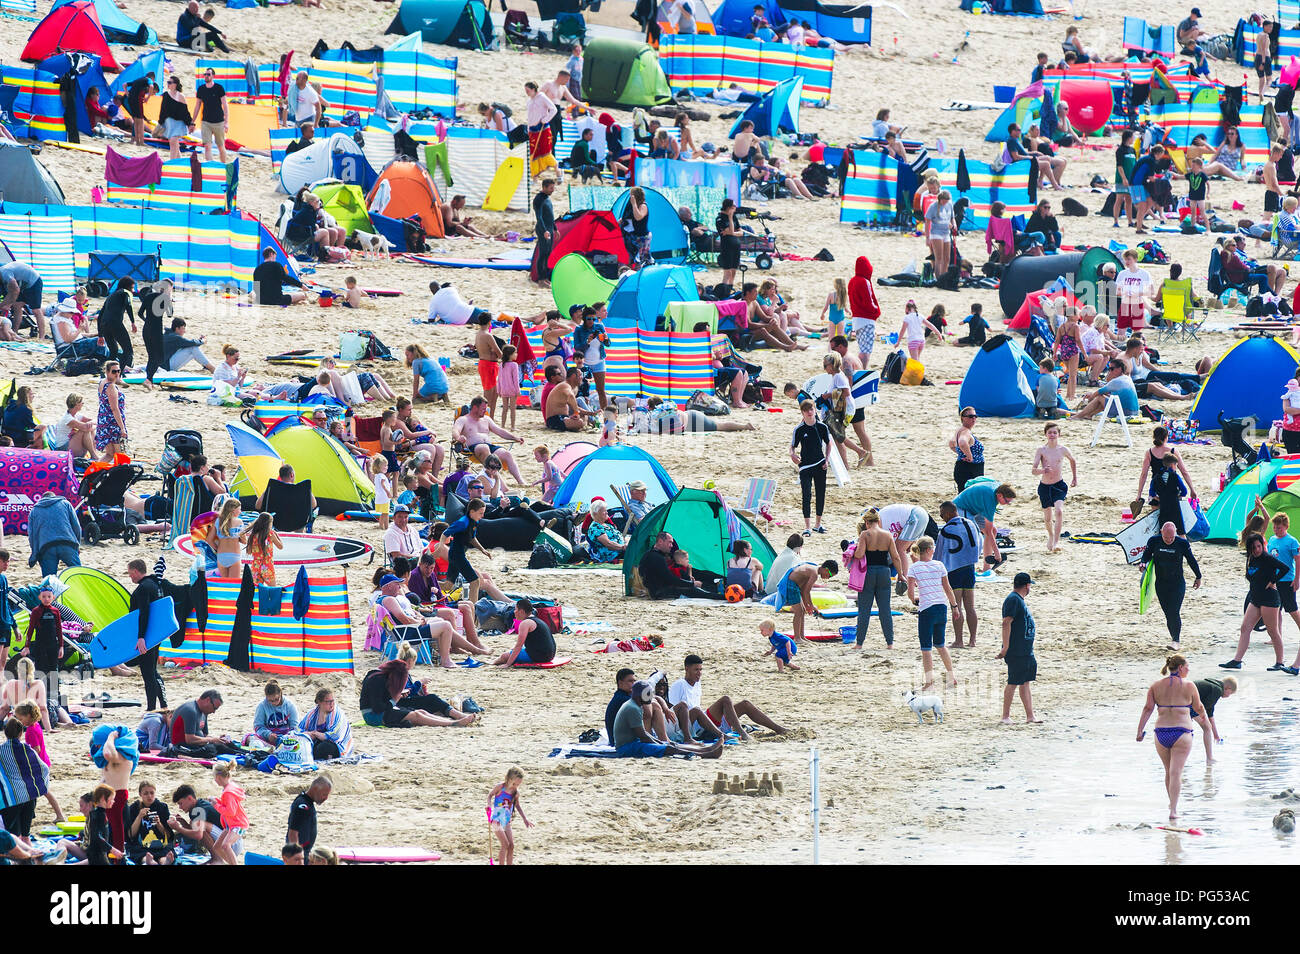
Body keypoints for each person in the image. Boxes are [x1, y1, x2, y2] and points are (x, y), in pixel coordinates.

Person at [1136, 654, 1211, 819]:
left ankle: (1172, 803)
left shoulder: (1155, 686)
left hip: (1161, 733)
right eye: (1187, 667)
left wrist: (1139, 731)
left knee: (1168, 772)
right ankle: (1173, 811)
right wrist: (1204, 717)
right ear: (1181, 668)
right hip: (1181, 732)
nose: (1189, 670)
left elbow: (1148, 708)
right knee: (1176, 772)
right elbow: (1198, 707)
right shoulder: (1189, 685)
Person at [668, 654, 788, 742]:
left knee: (745, 704)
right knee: (725, 700)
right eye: (696, 670)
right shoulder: (679, 685)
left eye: (700, 670)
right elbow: (674, 713)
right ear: (687, 669)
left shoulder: (697, 683)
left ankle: (779, 729)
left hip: (704, 720)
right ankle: (742, 732)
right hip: (693, 724)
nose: (699, 673)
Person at [1220, 532, 1295, 673]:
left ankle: (1279, 662)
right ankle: (1237, 660)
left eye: (1259, 546)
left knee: (1272, 631)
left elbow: (1285, 568)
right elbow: (1250, 576)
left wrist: (1273, 581)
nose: (1257, 550)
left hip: (1269, 598)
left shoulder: (1267, 558)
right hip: (1255, 598)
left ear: (1262, 545)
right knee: (1245, 628)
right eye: (1254, 547)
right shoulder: (1251, 558)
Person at [358, 652, 477, 727]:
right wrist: (394, 699)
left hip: (382, 710)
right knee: (416, 716)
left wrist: (395, 698)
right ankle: (454, 723)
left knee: (421, 712)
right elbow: (377, 707)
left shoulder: (382, 677)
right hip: (373, 715)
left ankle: (452, 721)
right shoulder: (376, 680)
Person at [612, 679, 724, 758]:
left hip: (632, 743)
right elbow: (642, 735)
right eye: (648, 694)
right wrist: (661, 744)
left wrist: (661, 742)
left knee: (670, 745)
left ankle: (705, 750)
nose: (650, 697)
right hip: (626, 747)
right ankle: (705, 753)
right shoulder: (633, 708)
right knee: (669, 748)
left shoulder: (634, 703)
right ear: (639, 695)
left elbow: (643, 735)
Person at [1141, 521, 1203, 651]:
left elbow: (1191, 560)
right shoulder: (1154, 541)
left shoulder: (1182, 543)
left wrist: (1198, 576)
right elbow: (1146, 556)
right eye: (1166, 537)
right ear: (1161, 533)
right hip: (1161, 584)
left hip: (1177, 584)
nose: (1169, 540)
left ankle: (1176, 641)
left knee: (1174, 611)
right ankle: (1174, 638)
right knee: (1168, 614)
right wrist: (1143, 563)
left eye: (1171, 537)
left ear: (1175, 534)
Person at [906, 536, 958, 690]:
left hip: (927, 608)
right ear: (929, 550)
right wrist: (954, 606)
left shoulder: (913, 568)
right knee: (941, 645)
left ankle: (929, 683)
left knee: (926, 648)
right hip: (941, 607)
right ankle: (951, 676)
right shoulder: (939, 565)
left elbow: (910, 593)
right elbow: (947, 588)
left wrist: (915, 600)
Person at [845, 508, 901, 650]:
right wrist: (901, 574)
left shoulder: (865, 534)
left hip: (868, 573)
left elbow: (859, 555)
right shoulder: (888, 535)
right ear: (878, 521)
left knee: (864, 609)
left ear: (867, 522)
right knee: (885, 609)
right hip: (884, 572)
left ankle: (859, 643)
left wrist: (854, 547)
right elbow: (895, 557)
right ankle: (890, 643)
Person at [1135, 426, 1197, 535]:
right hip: (1172, 490)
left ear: (1154, 437)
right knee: (1175, 520)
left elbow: (1143, 474)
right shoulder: (1172, 451)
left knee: (1157, 522)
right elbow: (1184, 471)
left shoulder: (1149, 452)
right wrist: (1192, 489)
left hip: (1157, 489)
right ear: (1166, 437)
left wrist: (1139, 494)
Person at [935, 501, 981, 649]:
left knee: (956, 607)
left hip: (954, 571)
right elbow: (979, 543)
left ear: (948, 513)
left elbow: (938, 554)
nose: (942, 518)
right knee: (970, 607)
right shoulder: (970, 524)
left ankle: (959, 641)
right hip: (969, 568)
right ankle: (973, 640)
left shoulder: (945, 530)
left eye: (942, 515)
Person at [998, 572, 1042, 724]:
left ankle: (1030, 716)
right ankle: (1005, 716)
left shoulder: (1018, 600)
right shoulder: (1013, 600)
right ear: (1027, 586)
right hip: (1016, 649)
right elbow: (1006, 623)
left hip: (1025, 648)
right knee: (1013, 682)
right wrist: (1006, 647)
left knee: (1025, 681)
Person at [453, 396, 526, 484]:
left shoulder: (486, 419)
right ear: (475, 407)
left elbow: (499, 431)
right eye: (483, 409)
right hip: (471, 449)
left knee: (507, 454)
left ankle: (521, 482)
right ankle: (499, 483)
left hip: (489, 446)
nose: (485, 411)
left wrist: (515, 438)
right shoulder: (463, 419)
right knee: (484, 448)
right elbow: (455, 430)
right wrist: (458, 438)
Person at [126, 559, 168, 712]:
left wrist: (141, 637)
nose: (131, 577)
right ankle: (163, 705)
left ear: (136, 571)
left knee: (148, 673)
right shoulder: (156, 584)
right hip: (155, 635)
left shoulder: (143, 588)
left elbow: (144, 613)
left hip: (147, 637)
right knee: (153, 670)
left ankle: (151, 709)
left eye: (131, 574)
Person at [637, 531, 724, 600]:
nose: (671, 546)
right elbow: (670, 579)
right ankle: (722, 596)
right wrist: (691, 584)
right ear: (660, 541)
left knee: (703, 574)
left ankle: (724, 583)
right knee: (696, 590)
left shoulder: (655, 554)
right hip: (661, 591)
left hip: (664, 587)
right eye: (669, 543)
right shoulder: (655, 557)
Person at [1031, 423, 1077, 553]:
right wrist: (1042, 470)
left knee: (1059, 511)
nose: (1052, 435)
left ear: (1059, 434)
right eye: (1050, 432)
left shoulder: (1063, 449)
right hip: (1044, 487)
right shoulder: (1041, 450)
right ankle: (1050, 536)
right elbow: (1033, 470)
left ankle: (1056, 542)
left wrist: (1074, 478)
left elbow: (1073, 460)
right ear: (1045, 434)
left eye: (1054, 433)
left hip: (1059, 485)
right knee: (1047, 518)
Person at [770, 560, 838, 643]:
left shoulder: (813, 569)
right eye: (829, 576)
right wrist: (812, 606)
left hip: (794, 585)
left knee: (802, 611)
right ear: (826, 570)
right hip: (790, 585)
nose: (828, 578)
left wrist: (807, 606)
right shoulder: (814, 574)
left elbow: (803, 590)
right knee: (798, 612)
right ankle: (797, 637)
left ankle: (801, 636)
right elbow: (806, 591)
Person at [790, 399, 831, 536]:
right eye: (806, 410)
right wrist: (793, 455)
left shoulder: (822, 427)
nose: (809, 412)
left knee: (821, 494)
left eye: (811, 409)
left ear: (814, 410)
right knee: (806, 494)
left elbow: (828, 443)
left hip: (820, 463)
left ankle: (817, 525)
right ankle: (807, 527)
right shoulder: (799, 429)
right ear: (802, 412)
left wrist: (827, 459)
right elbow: (792, 446)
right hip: (805, 466)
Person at [953, 480, 1016, 566]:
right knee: (973, 535)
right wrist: (997, 552)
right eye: (1007, 501)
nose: (1007, 504)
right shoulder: (990, 501)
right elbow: (988, 531)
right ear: (1000, 495)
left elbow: (990, 531)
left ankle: (986, 567)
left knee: (994, 531)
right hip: (960, 507)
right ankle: (967, 565)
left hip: (976, 508)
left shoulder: (1000, 488)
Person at [26, 491, 81, 576]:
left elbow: (32, 536)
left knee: (49, 580)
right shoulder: (65, 504)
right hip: (67, 543)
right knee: (78, 574)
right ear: (54, 496)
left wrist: (35, 553)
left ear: (42, 499)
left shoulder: (34, 510)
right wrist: (77, 545)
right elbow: (76, 526)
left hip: (46, 546)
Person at [486, 767, 532, 865]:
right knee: (505, 844)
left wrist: (525, 819)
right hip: (496, 820)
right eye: (514, 784)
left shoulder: (515, 793)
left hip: (506, 821)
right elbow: (490, 795)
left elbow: (517, 806)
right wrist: (489, 805)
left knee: (511, 846)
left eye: (518, 785)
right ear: (508, 779)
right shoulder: (500, 787)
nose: (515, 786)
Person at [493, 598, 556, 666]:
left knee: (504, 656)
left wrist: (508, 664)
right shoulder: (538, 620)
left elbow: (518, 646)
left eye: (515, 609)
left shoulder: (525, 623)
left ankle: (492, 663)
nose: (514, 612)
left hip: (540, 657)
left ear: (521, 611)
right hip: (550, 655)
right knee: (513, 650)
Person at [1073, 358, 1139, 421]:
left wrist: (1088, 400)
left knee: (1099, 397)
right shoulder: (1127, 378)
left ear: (1119, 369)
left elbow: (1098, 392)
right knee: (1106, 398)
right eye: (1109, 369)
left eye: (1111, 369)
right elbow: (1107, 391)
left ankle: (1079, 415)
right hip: (1134, 412)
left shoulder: (1116, 381)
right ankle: (1089, 415)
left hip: (1125, 412)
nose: (1110, 371)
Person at [300, 688, 353, 760]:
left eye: (332, 701)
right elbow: (299, 729)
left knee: (324, 746)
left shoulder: (337, 714)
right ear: (319, 702)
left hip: (338, 745)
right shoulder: (312, 715)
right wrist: (308, 734)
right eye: (328, 702)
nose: (332, 704)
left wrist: (318, 734)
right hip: (317, 742)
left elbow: (337, 735)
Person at [285, 776, 332, 854]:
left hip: (304, 851)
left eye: (327, 795)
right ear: (315, 789)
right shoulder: (303, 806)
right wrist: (297, 856)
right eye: (324, 794)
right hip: (299, 853)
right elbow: (292, 833)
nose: (326, 798)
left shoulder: (306, 802)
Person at [1194, 675, 1236, 758]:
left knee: (1207, 724)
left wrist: (1216, 736)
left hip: (1184, 698)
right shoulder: (1217, 690)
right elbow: (1203, 709)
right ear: (1227, 688)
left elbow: (1210, 715)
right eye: (1230, 693)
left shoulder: (1213, 687)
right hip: (1186, 700)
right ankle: (1209, 758)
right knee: (1207, 727)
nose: (1228, 696)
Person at [194, 67, 228, 163]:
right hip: (206, 122)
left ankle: (223, 165)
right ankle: (210, 166)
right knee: (207, 146)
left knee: (221, 146)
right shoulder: (201, 89)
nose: (206, 76)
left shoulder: (219, 88)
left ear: (213, 76)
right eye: (205, 74)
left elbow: (225, 105)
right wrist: (192, 121)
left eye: (208, 74)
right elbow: (197, 106)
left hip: (219, 122)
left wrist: (226, 122)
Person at [252, 680, 300, 747]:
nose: (274, 703)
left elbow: (295, 727)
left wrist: (288, 737)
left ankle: (273, 748)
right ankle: (271, 747)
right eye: (270, 701)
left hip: (286, 739)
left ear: (281, 694)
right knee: (249, 737)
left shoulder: (290, 706)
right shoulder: (262, 706)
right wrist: (268, 735)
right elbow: (258, 726)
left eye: (276, 699)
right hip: (268, 739)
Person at [157, 74, 194, 160]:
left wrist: (190, 124)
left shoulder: (180, 96)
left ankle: (171, 162)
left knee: (173, 141)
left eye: (170, 82)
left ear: (175, 84)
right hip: (169, 123)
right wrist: (160, 123)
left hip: (179, 123)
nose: (168, 84)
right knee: (173, 142)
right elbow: (163, 111)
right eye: (168, 82)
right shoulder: (166, 95)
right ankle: (179, 161)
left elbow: (185, 112)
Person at [950, 406, 985, 491]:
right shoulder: (966, 432)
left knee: (963, 496)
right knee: (971, 498)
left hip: (962, 467)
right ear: (963, 418)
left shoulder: (959, 430)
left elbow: (951, 444)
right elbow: (962, 442)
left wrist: (961, 453)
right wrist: (969, 456)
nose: (973, 418)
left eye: (975, 416)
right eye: (970, 416)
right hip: (971, 470)